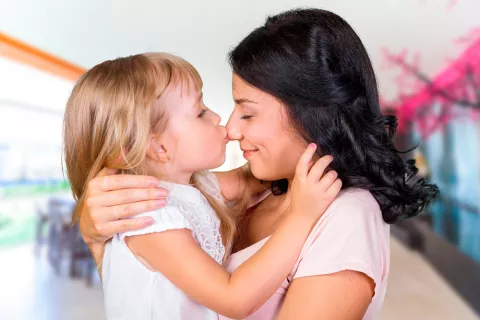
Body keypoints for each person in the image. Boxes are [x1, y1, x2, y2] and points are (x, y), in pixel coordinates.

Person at [77, 9, 439, 319]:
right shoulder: (250, 190)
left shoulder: (345, 216)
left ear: (311, 114)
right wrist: (96, 233)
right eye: (202, 112)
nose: (230, 128)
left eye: (247, 113)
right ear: (156, 147)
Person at [63, 52, 341, 319]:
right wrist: (302, 216)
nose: (218, 118)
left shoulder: (191, 187)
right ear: (159, 147)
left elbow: (246, 181)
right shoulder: (149, 218)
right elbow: (234, 298)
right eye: (200, 112)